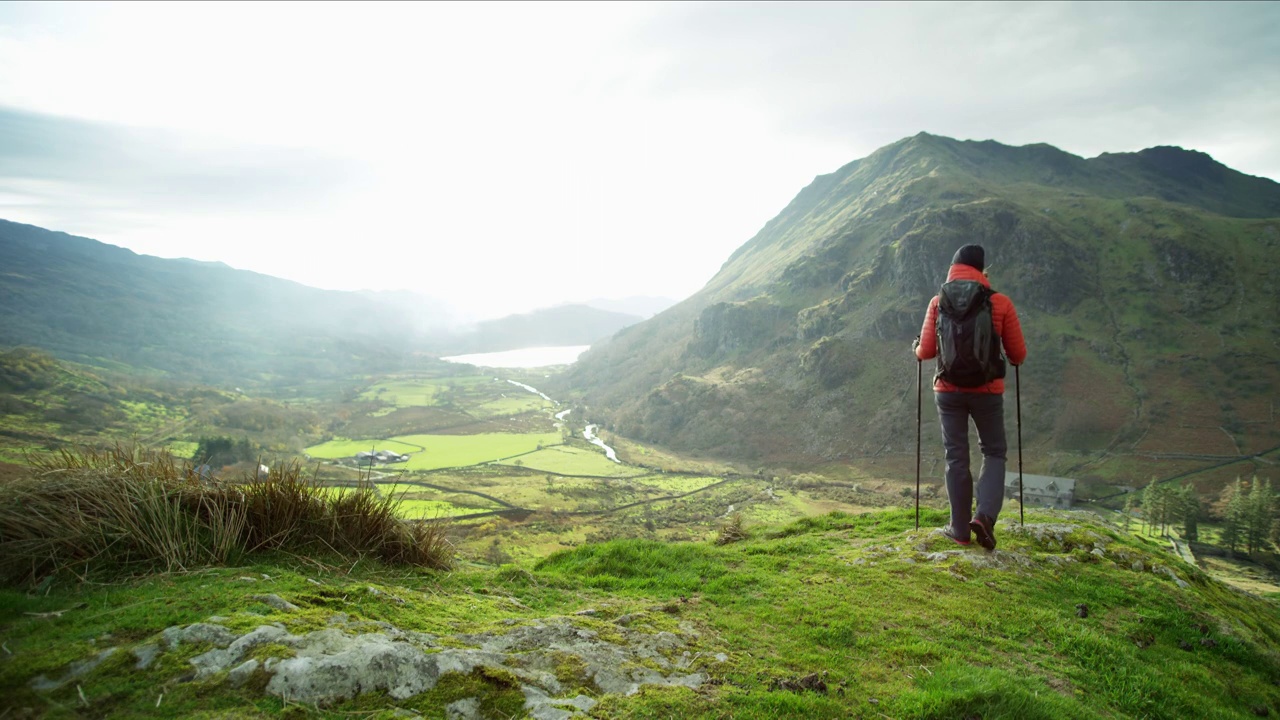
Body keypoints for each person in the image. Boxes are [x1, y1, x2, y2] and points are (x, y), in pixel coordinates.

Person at [913, 244, 1026, 550]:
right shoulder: (999, 303)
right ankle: (985, 517)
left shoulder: (938, 302)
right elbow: (1018, 354)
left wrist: (915, 348)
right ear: (982, 271)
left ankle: (959, 530)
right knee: (993, 452)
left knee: (956, 456)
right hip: (987, 393)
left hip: (948, 392)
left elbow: (926, 351)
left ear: (954, 268)